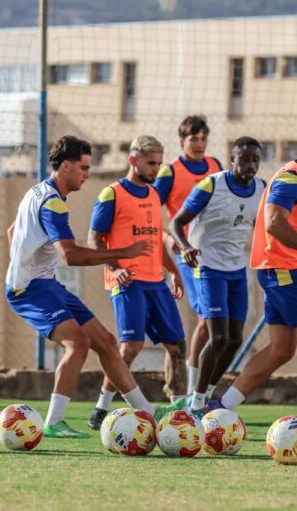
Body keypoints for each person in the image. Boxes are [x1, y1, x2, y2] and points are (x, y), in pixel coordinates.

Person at [5, 135, 184, 438]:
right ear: (64, 167)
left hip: (45, 283)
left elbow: (13, 232)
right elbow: (71, 255)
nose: (87, 175)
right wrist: (121, 254)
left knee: (106, 341)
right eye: (83, 168)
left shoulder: (36, 192)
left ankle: (148, 413)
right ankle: (53, 422)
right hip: (30, 289)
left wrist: (23, 262)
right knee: (79, 343)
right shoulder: (53, 204)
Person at [207, 121, 297, 440]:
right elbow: (273, 223)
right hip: (284, 270)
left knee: (282, 349)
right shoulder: (290, 178)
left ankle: (222, 408)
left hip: (281, 269)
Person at [85, 135, 187, 430]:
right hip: (127, 281)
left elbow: (155, 241)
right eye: (150, 163)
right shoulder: (112, 194)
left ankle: (178, 410)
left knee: (176, 345)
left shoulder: (154, 195)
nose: (156, 169)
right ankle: (102, 407)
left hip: (156, 281)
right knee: (131, 346)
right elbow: (94, 239)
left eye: (158, 163)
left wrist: (173, 270)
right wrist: (115, 268)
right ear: (133, 160)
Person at [169, 137, 266, 418]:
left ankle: (208, 396)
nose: (250, 165)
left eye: (255, 160)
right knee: (218, 337)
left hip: (236, 270)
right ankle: (195, 404)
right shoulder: (212, 185)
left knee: (235, 340)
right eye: (245, 159)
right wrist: (186, 248)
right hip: (208, 267)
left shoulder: (261, 189)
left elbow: (262, 229)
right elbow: (176, 222)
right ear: (233, 159)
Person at [153, 114, 222, 401]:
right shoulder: (170, 173)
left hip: (216, 253)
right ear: (182, 141)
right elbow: (146, 209)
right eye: (194, 139)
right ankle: (195, 388)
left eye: (203, 138)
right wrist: (170, 240)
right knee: (206, 316)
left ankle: (199, 389)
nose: (199, 144)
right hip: (187, 253)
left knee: (217, 320)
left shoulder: (216, 166)